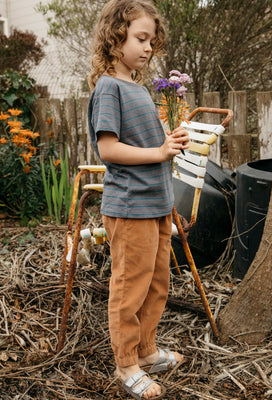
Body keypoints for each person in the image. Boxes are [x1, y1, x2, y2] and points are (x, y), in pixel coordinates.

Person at [87, 1, 189, 398]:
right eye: (139, 38)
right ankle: (125, 363)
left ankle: (146, 350)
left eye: (151, 40)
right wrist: (159, 154)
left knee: (156, 284)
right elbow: (109, 149)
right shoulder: (108, 88)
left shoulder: (138, 87)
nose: (147, 48)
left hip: (157, 203)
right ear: (116, 39)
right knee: (130, 288)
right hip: (130, 206)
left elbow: (150, 142)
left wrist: (170, 141)